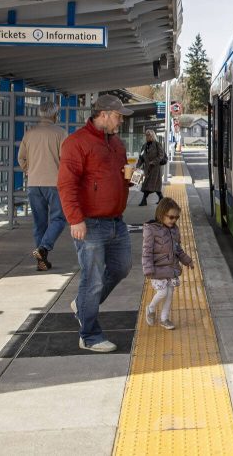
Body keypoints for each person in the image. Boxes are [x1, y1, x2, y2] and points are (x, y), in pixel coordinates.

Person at [58, 94, 134, 353]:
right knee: (93, 279)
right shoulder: (76, 143)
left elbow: (117, 177)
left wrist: (127, 181)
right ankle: (89, 336)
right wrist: (75, 219)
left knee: (122, 268)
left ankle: (82, 304)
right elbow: (66, 185)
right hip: (89, 223)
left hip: (116, 221)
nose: (120, 122)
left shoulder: (116, 144)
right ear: (103, 114)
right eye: (118, 116)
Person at [17, 101, 67, 271]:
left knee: (39, 223)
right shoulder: (60, 133)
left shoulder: (29, 134)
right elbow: (66, 160)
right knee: (59, 219)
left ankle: (42, 261)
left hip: (33, 184)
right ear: (55, 115)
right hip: (54, 183)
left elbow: (21, 158)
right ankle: (43, 248)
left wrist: (29, 171)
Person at [142, 197, 194, 330]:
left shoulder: (174, 230)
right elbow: (147, 251)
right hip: (157, 270)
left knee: (169, 294)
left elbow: (178, 249)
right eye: (171, 217)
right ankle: (151, 308)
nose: (174, 220)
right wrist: (148, 269)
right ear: (161, 214)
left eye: (176, 217)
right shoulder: (151, 230)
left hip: (171, 269)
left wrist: (187, 260)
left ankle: (164, 319)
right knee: (162, 293)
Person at [137, 129, 166, 206]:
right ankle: (161, 198)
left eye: (149, 135)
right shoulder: (144, 146)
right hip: (147, 169)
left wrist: (154, 162)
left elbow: (161, 155)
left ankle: (144, 200)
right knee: (151, 185)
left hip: (155, 169)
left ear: (152, 135)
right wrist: (137, 166)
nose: (147, 137)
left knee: (150, 185)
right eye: (146, 135)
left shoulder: (157, 144)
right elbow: (141, 157)